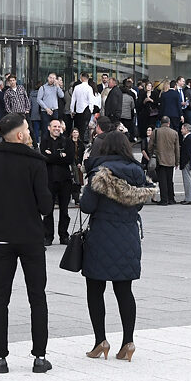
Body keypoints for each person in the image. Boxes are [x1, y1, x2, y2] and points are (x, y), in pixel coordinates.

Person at [0, 113, 53, 374]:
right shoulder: (35, 162)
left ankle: (0, 358)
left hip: (2, 238)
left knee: (0, 297)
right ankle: (40, 357)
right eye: (27, 129)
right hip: (31, 238)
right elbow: (46, 206)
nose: (29, 133)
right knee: (37, 296)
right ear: (19, 134)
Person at [80, 130, 153, 361]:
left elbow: (87, 206)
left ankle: (100, 341)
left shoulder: (99, 172)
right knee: (124, 291)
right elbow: (138, 205)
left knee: (95, 290)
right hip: (128, 236)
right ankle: (128, 343)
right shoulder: (137, 172)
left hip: (101, 237)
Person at [40, 117, 74, 243]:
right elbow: (44, 158)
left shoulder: (67, 142)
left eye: (59, 126)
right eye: (54, 126)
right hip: (49, 180)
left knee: (64, 210)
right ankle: (48, 236)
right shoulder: (44, 141)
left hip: (65, 180)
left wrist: (52, 156)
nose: (57, 129)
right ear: (49, 128)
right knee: (48, 210)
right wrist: (60, 156)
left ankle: (63, 235)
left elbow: (69, 159)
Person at [148, 116, 179, 206]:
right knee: (170, 180)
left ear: (161, 123)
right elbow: (177, 149)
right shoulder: (174, 133)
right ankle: (171, 199)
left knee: (162, 181)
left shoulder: (156, 132)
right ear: (169, 123)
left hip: (159, 159)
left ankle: (164, 199)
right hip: (171, 159)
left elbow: (150, 146)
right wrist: (177, 161)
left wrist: (152, 155)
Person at [177, 121, 191, 205]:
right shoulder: (187, 138)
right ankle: (187, 197)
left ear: (186, 129)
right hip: (186, 161)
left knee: (187, 180)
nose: (181, 130)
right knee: (186, 180)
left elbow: (188, 153)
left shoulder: (189, 138)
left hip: (186, 162)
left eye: (182, 129)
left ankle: (189, 198)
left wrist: (184, 162)